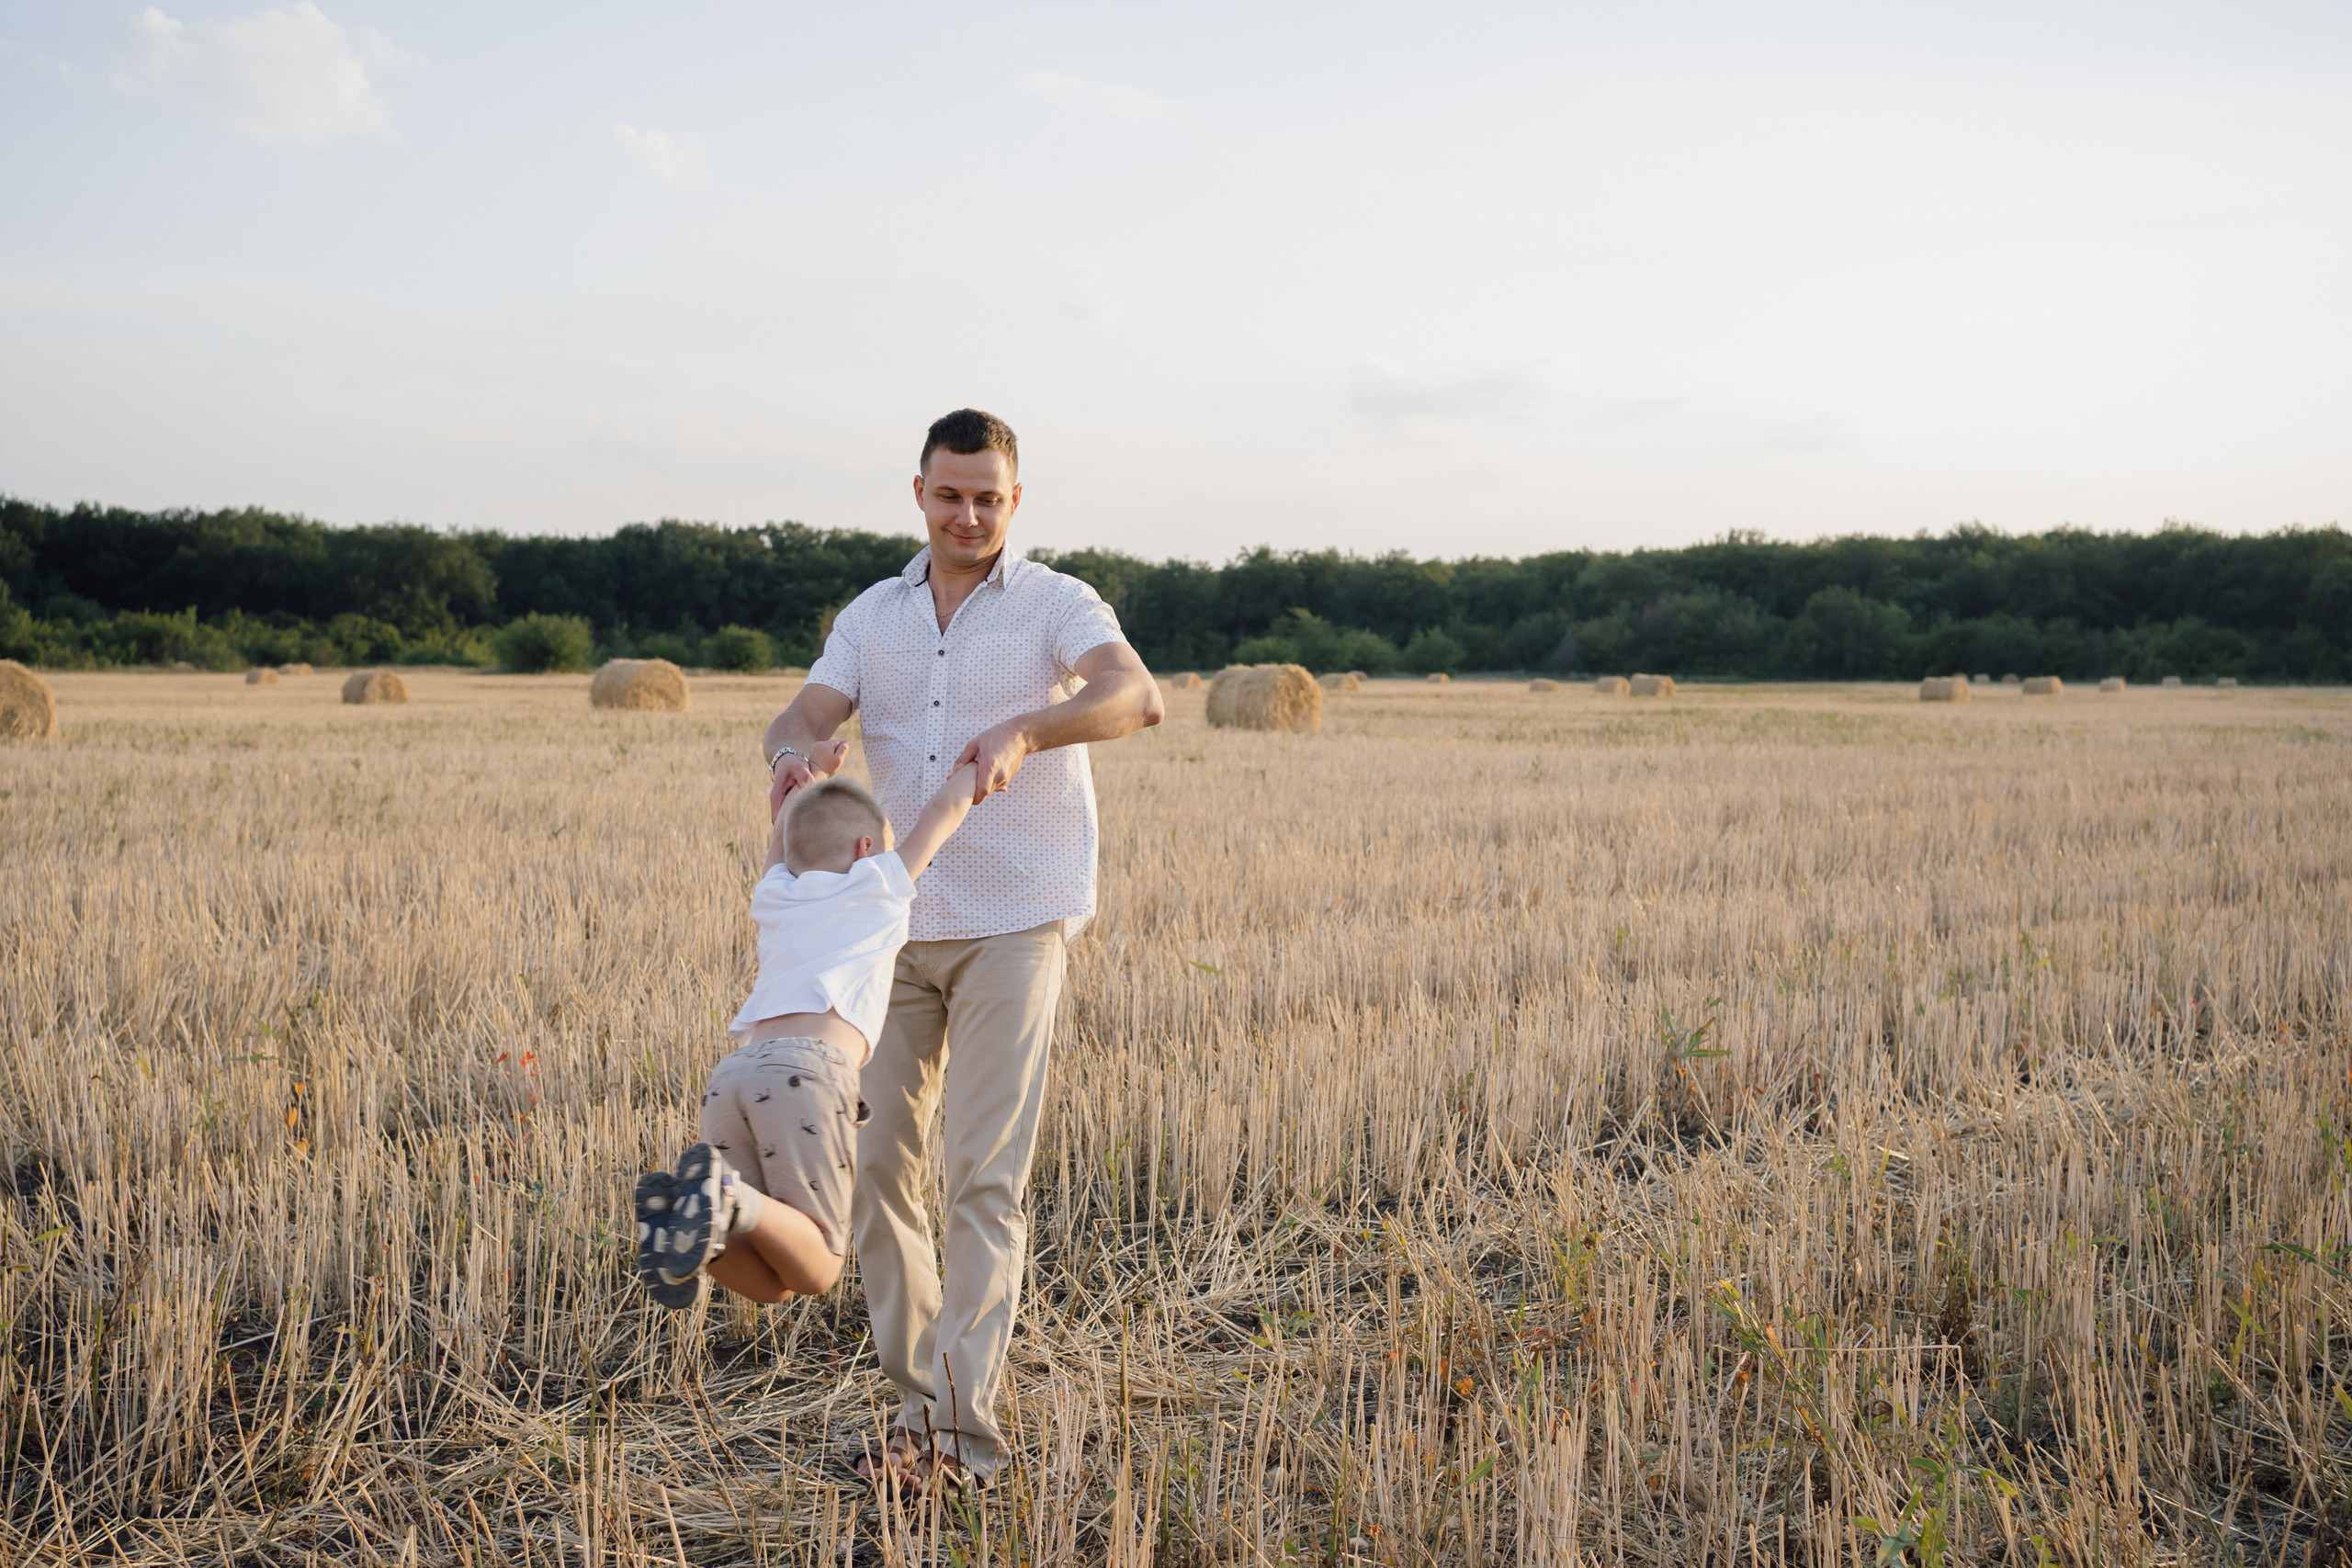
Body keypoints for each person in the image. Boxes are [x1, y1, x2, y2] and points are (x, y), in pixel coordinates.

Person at [759, 408, 1164, 1493]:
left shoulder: (1055, 605)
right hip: (893, 923)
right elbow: (801, 708)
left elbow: (1137, 695)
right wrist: (797, 752)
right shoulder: (872, 613)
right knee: (876, 1167)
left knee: (982, 1175)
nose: (969, 514)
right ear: (920, 494)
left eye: (989, 497)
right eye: (951, 495)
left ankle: (960, 1443)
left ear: (1014, 502)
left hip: (1018, 920)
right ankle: (917, 1410)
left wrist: (1031, 729)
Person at [633, 759, 982, 1309]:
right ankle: (722, 1196)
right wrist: (980, 769)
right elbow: (943, 813)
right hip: (807, 1073)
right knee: (820, 1266)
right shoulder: (878, 883)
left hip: (736, 1074)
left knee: (776, 1282)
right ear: (867, 848)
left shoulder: (777, 894)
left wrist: (802, 788)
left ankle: (693, 1214)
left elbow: (782, 844)